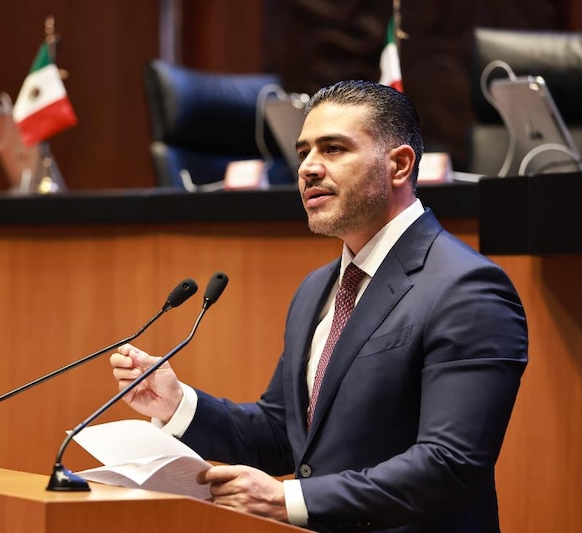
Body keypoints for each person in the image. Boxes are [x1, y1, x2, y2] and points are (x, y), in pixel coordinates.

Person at [110, 80, 528, 532]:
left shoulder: (466, 288)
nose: (308, 167)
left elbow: (450, 465)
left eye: (333, 149)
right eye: (304, 151)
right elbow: (284, 434)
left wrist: (290, 498)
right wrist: (179, 405)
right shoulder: (318, 288)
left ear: (400, 165)